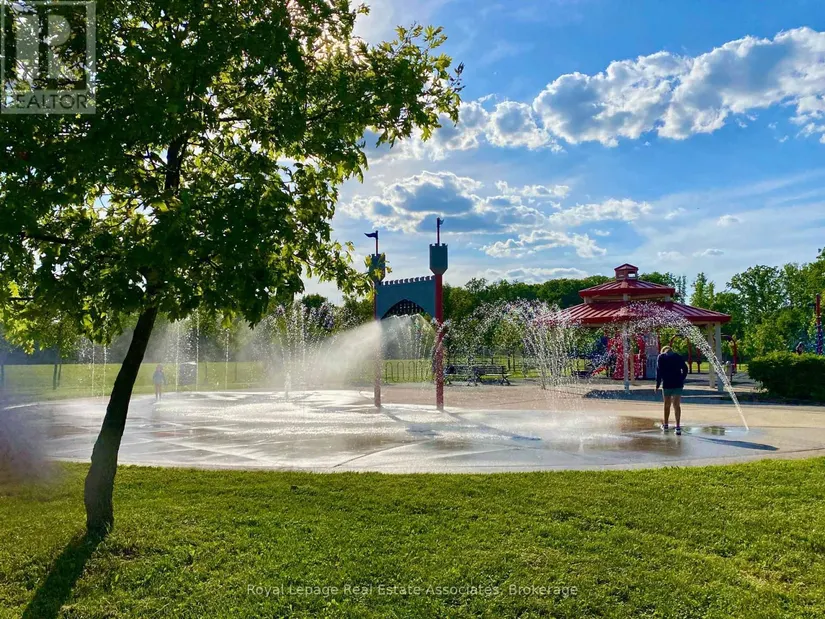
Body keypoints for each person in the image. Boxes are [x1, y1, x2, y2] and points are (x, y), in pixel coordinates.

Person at [655, 345, 688, 435]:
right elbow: (685, 368)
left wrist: (657, 385)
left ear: (663, 351)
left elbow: (658, 372)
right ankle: (677, 427)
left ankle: (666, 425)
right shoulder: (678, 356)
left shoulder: (661, 357)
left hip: (667, 384)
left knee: (667, 405)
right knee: (676, 405)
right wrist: (682, 378)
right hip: (678, 384)